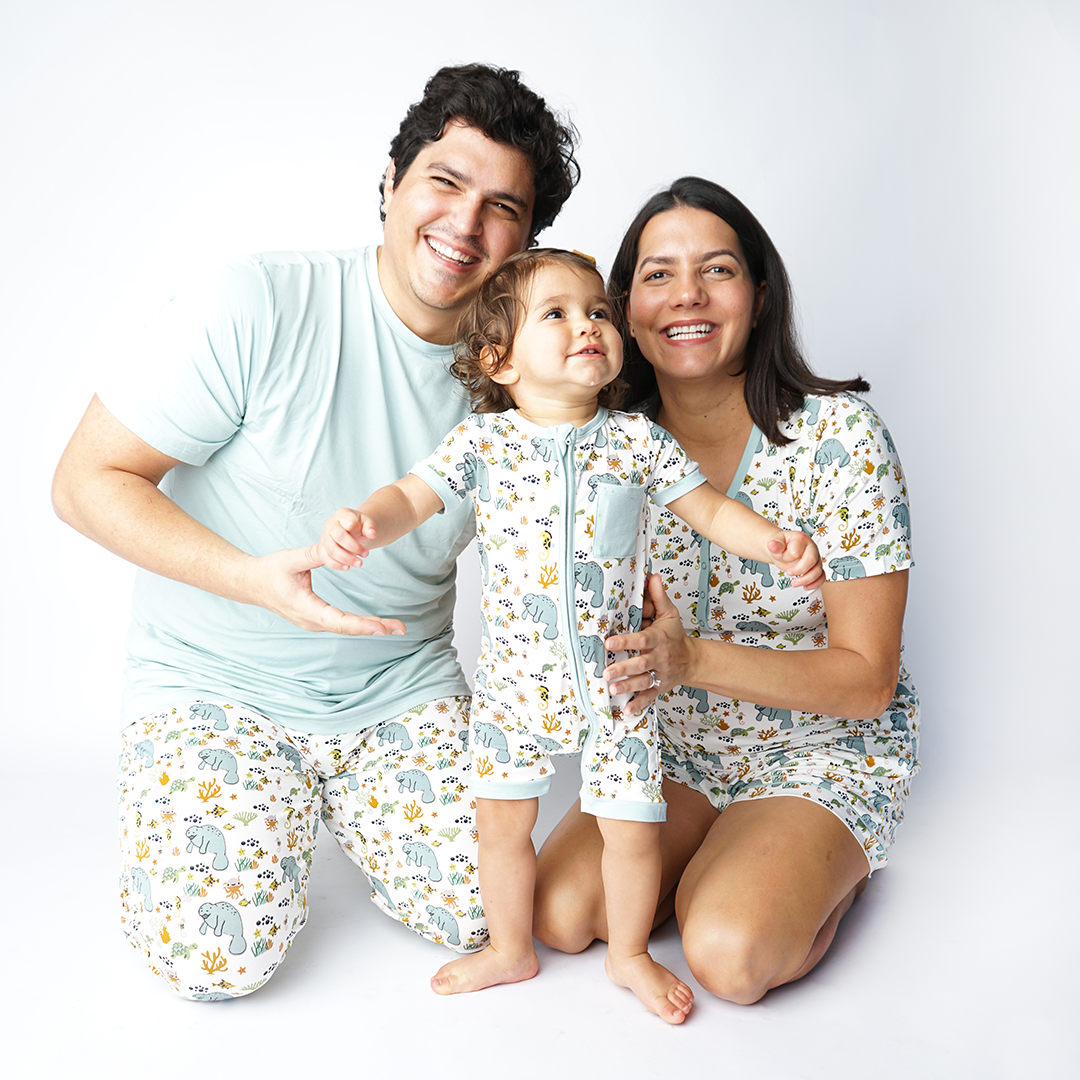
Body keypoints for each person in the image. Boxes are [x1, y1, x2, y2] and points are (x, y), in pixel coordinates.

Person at [50, 64, 580, 1001]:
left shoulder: (523, 382)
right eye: (445, 182)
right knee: (219, 960)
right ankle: (230, 816)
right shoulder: (259, 303)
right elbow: (86, 481)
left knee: (492, 908)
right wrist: (254, 579)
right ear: (392, 180)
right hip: (217, 680)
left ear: (527, 242)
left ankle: (331, 803)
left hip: (395, 690)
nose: (464, 225)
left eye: (502, 207)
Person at [316, 248, 825, 1022]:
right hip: (515, 687)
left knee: (630, 830)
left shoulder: (637, 442)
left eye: (596, 311)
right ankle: (509, 949)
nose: (587, 324)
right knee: (501, 827)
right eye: (556, 313)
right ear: (500, 359)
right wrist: (364, 523)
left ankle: (628, 956)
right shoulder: (481, 444)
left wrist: (773, 542)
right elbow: (412, 499)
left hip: (619, 687)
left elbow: (711, 511)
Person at [533, 178, 920, 1006]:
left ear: (760, 292)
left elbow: (868, 679)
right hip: (668, 750)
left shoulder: (840, 438)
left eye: (717, 270)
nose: (689, 297)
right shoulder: (605, 445)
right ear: (625, 306)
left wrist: (694, 659)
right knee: (559, 914)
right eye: (658, 275)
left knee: (727, 956)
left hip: (813, 750)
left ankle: (824, 865)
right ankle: (716, 848)